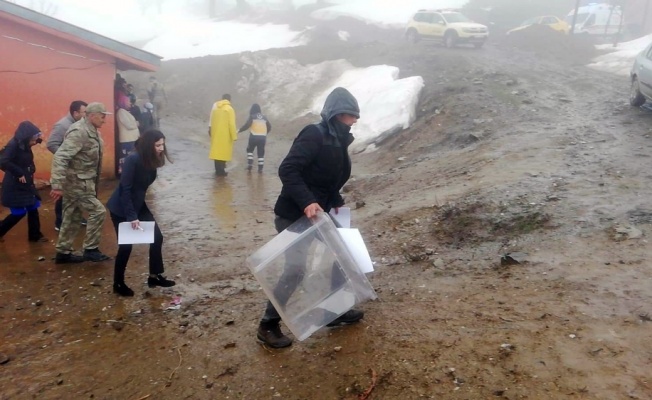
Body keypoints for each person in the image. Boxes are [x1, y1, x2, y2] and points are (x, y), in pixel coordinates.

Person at [256, 87, 364, 348]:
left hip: (320, 215)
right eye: (349, 115)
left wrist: (335, 203)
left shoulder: (339, 140)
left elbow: (327, 182)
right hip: (293, 215)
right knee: (295, 269)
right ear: (335, 115)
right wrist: (307, 202)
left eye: (355, 116)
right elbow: (288, 169)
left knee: (343, 255)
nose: (354, 120)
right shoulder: (314, 134)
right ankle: (267, 325)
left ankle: (333, 311)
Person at [106, 129, 175, 296]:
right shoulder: (133, 159)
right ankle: (118, 284)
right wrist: (132, 217)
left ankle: (154, 276)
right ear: (148, 145)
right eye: (158, 145)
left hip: (138, 204)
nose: (161, 148)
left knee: (157, 237)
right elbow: (125, 189)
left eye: (162, 144)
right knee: (126, 247)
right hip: (121, 208)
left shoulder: (150, 159)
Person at [50, 102, 112, 264]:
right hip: (77, 183)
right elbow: (61, 157)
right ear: (92, 116)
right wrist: (57, 184)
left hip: (85, 182)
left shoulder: (93, 131)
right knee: (98, 211)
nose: (105, 120)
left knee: (72, 216)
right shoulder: (80, 132)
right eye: (102, 116)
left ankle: (63, 253)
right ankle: (91, 249)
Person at [0, 121, 48, 243]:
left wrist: (30, 169)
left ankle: (35, 235)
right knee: (19, 212)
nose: (34, 141)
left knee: (33, 207)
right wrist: (19, 172)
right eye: (33, 139)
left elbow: (26, 160)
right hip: (14, 184)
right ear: (26, 137)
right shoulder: (13, 145)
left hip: (26, 182)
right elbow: (3, 161)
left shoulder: (24, 145)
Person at [47, 100, 87, 231]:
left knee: (77, 193)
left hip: (78, 168)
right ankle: (60, 222)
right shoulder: (62, 125)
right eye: (84, 112)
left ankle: (77, 217)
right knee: (62, 194)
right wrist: (66, 157)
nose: (86, 115)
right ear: (75, 113)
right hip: (66, 167)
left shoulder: (80, 124)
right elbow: (51, 144)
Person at [208, 94, 237, 176]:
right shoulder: (229, 109)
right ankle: (222, 171)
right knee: (223, 153)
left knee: (217, 153)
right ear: (229, 100)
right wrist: (234, 136)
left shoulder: (215, 108)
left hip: (216, 133)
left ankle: (217, 170)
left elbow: (212, 121)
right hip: (225, 135)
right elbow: (231, 124)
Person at [239, 103, 271, 173]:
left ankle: (250, 164)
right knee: (261, 153)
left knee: (249, 150)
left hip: (253, 136)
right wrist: (265, 133)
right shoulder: (264, 117)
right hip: (262, 137)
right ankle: (260, 169)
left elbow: (247, 125)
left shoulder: (252, 116)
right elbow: (269, 126)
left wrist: (239, 130)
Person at [117, 103, 140, 174]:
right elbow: (129, 125)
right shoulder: (121, 112)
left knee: (130, 157)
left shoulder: (124, 111)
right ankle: (125, 174)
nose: (129, 103)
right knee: (127, 158)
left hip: (131, 139)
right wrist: (136, 123)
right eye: (127, 101)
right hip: (127, 139)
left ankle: (129, 173)